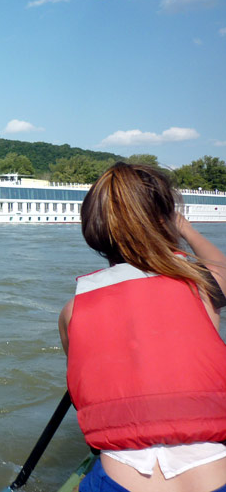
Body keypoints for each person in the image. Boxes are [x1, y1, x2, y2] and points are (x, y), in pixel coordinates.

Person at [58, 162, 226, 492]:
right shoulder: (202, 284)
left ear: (93, 230)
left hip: (119, 481)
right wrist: (186, 230)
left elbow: (84, 395)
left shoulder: (72, 311)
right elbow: (221, 265)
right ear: (165, 222)